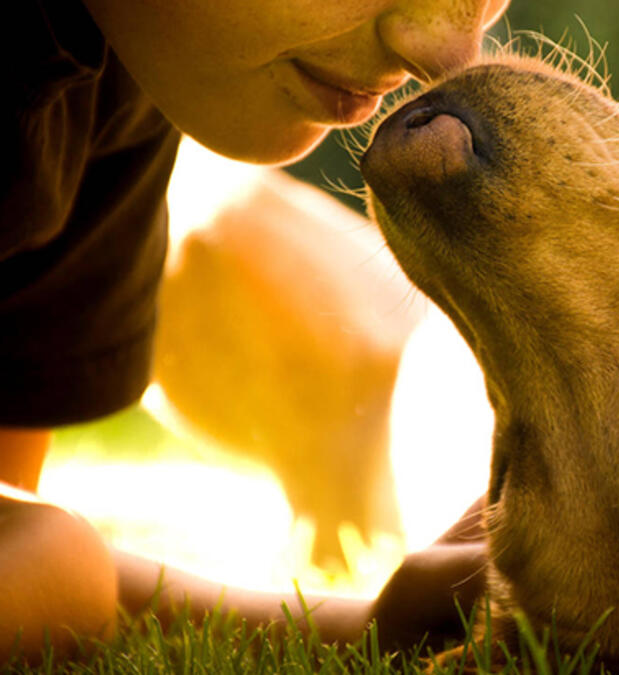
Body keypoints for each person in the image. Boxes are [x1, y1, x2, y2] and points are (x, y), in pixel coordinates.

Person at [2, 0, 506, 661]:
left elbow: (13, 515)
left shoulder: (124, 71)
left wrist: (356, 628)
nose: (451, 55)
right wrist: (64, 569)